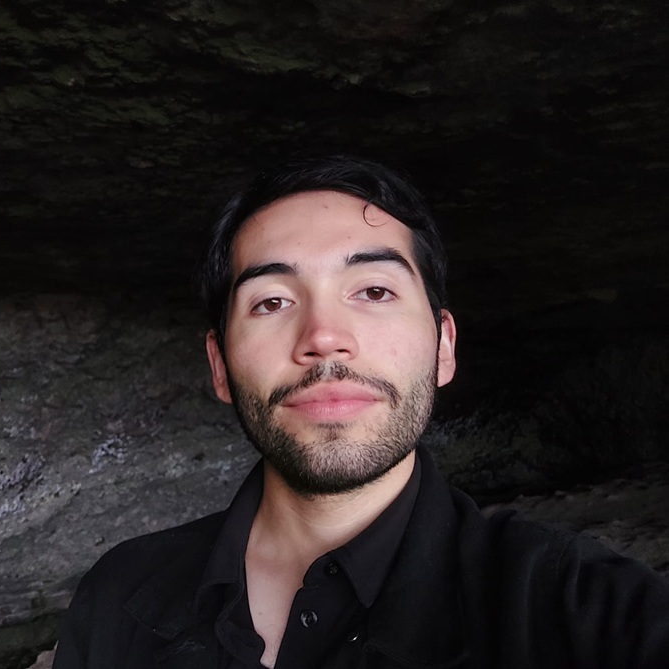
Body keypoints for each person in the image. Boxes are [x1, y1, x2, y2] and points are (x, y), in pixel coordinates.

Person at [52, 155, 669, 668]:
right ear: (220, 365)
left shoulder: (585, 612)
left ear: (443, 347)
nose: (324, 337)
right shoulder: (118, 599)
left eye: (374, 291)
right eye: (272, 302)